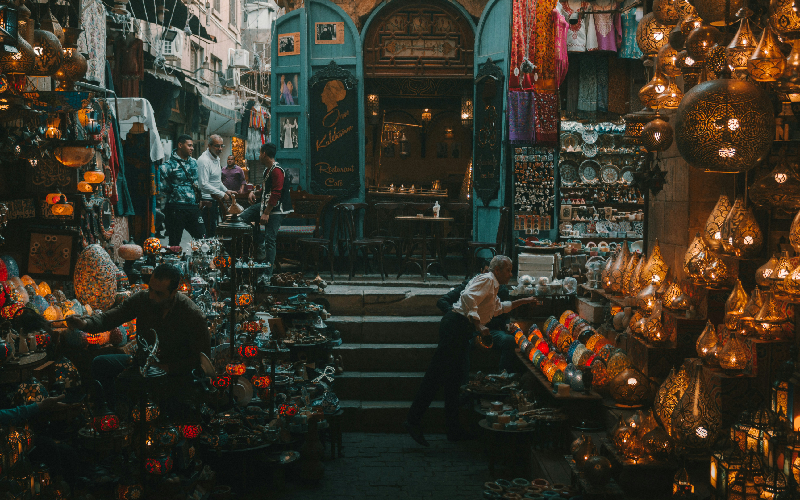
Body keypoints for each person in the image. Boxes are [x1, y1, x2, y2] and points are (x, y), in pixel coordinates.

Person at [405, 256, 537, 446]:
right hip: (455, 326)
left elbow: (499, 308)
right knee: (435, 376)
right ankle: (413, 420)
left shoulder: (493, 285)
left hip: (460, 329)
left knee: (454, 380)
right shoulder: (487, 279)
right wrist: (478, 325)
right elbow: (467, 298)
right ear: (498, 270)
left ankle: (453, 429)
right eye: (508, 270)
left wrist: (524, 301)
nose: (511, 274)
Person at [65, 264, 211, 402]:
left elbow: (202, 359)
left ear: (174, 292)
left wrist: (169, 367)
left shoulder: (192, 315)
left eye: (159, 293)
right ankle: (109, 415)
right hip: (142, 364)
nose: (152, 296)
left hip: (174, 374)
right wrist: (84, 324)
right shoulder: (143, 299)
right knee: (101, 363)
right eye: (150, 289)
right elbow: (111, 317)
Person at [437, 269, 516, 374]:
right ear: (481, 271)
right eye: (487, 272)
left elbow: (504, 313)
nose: (489, 276)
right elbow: (442, 301)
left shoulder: (500, 289)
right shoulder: (473, 284)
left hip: (491, 330)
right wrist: (461, 314)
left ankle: (503, 377)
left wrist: (506, 324)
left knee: (508, 340)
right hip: (467, 328)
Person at [240, 143, 292, 268]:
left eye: (259, 153)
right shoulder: (268, 170)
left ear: (264, 154)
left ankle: (267, 274)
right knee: (241, 218)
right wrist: (254, 192)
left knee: (270, 239)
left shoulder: (277, 170)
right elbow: (266, 190)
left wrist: (266, 213)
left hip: (276, 209)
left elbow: (276, 193)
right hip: (265, 206)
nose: (258, 156)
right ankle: (259, 241)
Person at [159, 135, 205, 247]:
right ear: (180, 145)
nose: (192, 148)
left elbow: (196, 182)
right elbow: (160, 185)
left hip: (193, 207)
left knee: (202, 238)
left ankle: (199, 263)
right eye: (189, 145)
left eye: (192, 146)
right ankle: (173, 263)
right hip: (175, 208)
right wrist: (174, 191)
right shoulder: (168, 165)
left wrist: (200, 198)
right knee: (174, 243)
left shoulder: (194, 162)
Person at [197, 135, 238, 236]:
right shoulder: (204, 160)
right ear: (209, 146)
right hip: (207, 202)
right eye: (217, 146)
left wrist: (225, 191)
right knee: (208, 232)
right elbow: (203, 184)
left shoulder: (217, 158)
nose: (220, 149)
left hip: (216, 201)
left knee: (215, 231)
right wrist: (221, 194)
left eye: (221, 146)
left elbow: (217, 181)